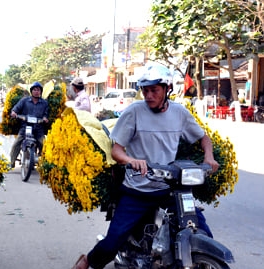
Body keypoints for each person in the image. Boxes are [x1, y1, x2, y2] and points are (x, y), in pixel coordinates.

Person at [72, 65, 220, 269]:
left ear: (167, 88)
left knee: (200, 229)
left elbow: (203, 137)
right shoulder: (134, 112)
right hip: (137, 190)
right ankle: (87, 261)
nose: (149, 95)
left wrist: (209, 157)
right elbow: (116, 150)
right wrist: (130, 160)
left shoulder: (179, 113)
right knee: (112, 241)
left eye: (154, 90)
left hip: (169, 189)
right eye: (145, 90)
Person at [9, 81, 49, 168]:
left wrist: (45, 118)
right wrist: (14, 113)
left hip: (38, 129)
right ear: (31, 91)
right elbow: (15, 109)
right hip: (25, 127)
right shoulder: (24, 101)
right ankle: (11, 163)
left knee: (44, 145)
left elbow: (46, 114)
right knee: (17, 143)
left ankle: (44, 164)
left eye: (38, 90)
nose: (36, 91)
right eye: (34, 90)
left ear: (40, 92)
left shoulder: (44, 103)